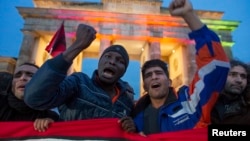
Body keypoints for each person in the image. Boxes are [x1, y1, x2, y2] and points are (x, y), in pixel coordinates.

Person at [120, 0, 230, 135]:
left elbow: (215, 65)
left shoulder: (190, 102)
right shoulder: (135, 117)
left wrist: (189, 15)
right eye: (148, 75)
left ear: (169, 81)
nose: (154, 76)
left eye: (159, 73)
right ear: (144, 85)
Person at [24, 24, 135, 121]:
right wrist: (77, 46)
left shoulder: (127, 101)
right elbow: (35, 99)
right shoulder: (78, 83)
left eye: (120, 61)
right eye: (107, 56)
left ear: (124, 71)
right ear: (99, 62)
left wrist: (131, 126)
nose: (112, 62)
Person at [0, 63, 59, 132]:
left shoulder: (50, 116)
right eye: (17, 76)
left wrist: (52, 126)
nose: (22, 78)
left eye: (30, 75)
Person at [211, 59, 250, 124]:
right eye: (233, 74)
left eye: (243, 76)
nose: (239, 80)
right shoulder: (206, 105)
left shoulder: (247, 109)